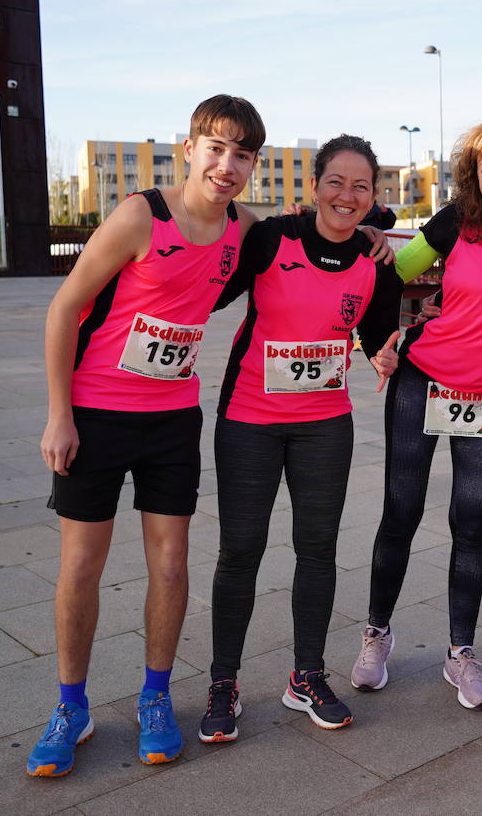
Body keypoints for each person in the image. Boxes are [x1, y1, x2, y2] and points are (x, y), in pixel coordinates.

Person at [28, 95, 266, 777]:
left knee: (169, 564)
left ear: (252, 165)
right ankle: (71, 707)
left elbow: (302, 240)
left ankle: (155, 697)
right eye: (215, 148)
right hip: (96, 415)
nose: (227, 165)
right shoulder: (142, 216)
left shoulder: (242, 231)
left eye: (242, 155)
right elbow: (66, 307)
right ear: (188, 148)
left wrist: (367, 232)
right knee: (82, 564)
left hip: (171, 422)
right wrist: (58, 413)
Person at [198, 135, 402, 741]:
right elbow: (209, 294)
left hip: (324, 426)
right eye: (335, 182)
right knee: (241, 548)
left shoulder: (376, 262)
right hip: (249, 418)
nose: (347, 195)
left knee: (317, 548)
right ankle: (223, 682)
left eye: (361, 186)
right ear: (314, 187)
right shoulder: (272, 239)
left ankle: (306, 676)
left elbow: (377, 338)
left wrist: (386, 356)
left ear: (373, 196)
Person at [349, 115, 482, 710]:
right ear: (474, 174)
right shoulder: (455, 223)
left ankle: (460, 653)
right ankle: (376, 635)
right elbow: (387, 274)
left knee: (472, 522)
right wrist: (378, 342)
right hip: (422, 381)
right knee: (402, 510)